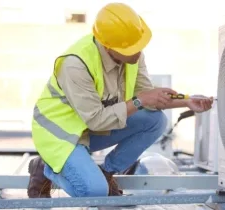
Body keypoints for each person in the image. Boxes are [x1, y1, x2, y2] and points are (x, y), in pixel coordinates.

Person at [27, 2, 213, 198]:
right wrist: (140, 101)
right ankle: (46, 167)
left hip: (88, 129)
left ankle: (106, 172)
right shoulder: (75, 64)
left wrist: (187, 101)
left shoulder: (130, 54)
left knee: (155, 121)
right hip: (59, 135)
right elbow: (98, 119)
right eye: (132, 48)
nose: (139, 51)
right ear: (108, 46)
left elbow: (150, 97)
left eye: (139, 45)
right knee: (94, 191)